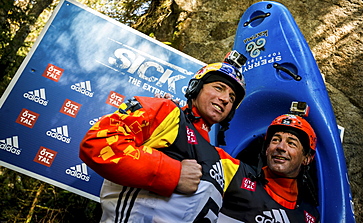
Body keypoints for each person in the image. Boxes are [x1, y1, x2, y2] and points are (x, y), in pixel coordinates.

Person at [79, 51, 247, 223]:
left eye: (232, 97)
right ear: (196, 88)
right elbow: (98, 143)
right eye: (219, 88)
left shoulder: (223, 160)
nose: (225, 99)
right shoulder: (166, 111)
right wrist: (174, 173)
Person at [218, 113, 320, 223]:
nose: (280, 147)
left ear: (307, 159)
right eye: (275, 140)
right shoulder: (236, 172)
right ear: (267, 150)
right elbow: (201, 150)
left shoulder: (311, 216)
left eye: (291, 143)